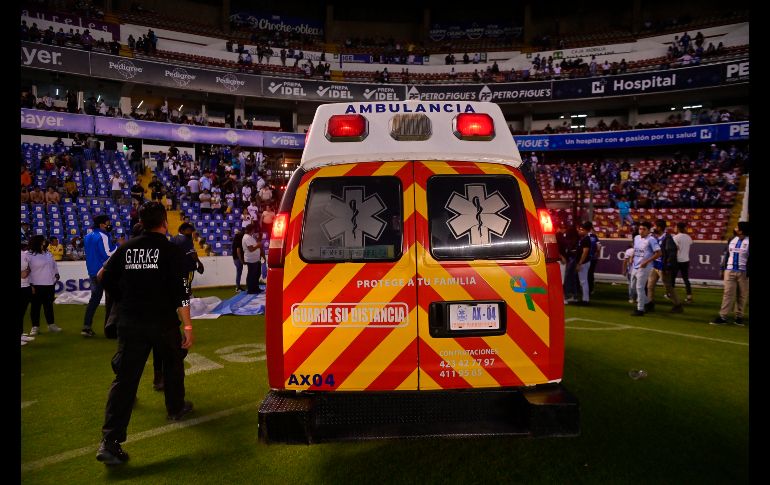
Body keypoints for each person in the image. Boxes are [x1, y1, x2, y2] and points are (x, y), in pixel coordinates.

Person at [96, 202, 194, 466]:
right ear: (164, 222)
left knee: (125, 381)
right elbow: (182, 292)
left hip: (130, 322)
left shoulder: (126, 248)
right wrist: (187, 326)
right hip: (162, 323)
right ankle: (175, 408)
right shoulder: (173, 251)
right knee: (173, 364)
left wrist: (122, 298)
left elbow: (102, 275)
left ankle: (109, 442)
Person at [82, 215, 116, 337]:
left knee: (94, 300)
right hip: (103, 272)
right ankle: (112, 328)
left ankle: (86, 326)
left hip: (92, 271)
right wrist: (119, 245)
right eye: (108, 223)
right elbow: (108, 253)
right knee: (113, 300)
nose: (109, 225)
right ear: (102, 224)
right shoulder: (103, 235)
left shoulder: (87, 236)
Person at [711, 222, 749, 326]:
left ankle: (739, 317)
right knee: (728, 293)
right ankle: (723, 316)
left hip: (744, 272)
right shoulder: (732, 239)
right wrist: (722, 268)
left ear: (741, 230)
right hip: (730, 270)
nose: (735, 228)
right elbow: (727, 255)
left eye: (737, 227)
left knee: (742, 295)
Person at [27, 235, 62, 336]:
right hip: (36, 284)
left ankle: (51, 324)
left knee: (48, 305)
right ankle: (35, 327)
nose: (45, 242)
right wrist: (30, 284)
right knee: (35, 307)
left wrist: (56, 273)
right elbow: (27, 269)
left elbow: (54, 264)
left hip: (49, 284)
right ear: (37, 242)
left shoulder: (48, 253)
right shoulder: (29, 255)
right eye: (43, 240)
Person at [630, 222, 661, 316]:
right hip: (635, 265)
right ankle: (649, 303)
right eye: (640, 229)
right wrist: (632, 256)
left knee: (640, 287)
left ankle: (640, 309)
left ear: (648, 230)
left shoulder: (651, 239)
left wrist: (646, 262)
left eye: (644, 229)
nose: (641, 231)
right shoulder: (636, 238)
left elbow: (659, 253)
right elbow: (635, 249)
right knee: (633, 287)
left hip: (645, 266)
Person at [654, 219, 683, 313]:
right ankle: (648, 304)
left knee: (668, 287)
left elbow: (671, 253)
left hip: (663, 266)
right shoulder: (656, 237)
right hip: (655, 265)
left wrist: (668, 265)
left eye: (655, 226)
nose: (653, 228)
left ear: (659, 227)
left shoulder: (667, 238)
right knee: (650, 285)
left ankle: (678, 305)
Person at [171, 222, 204, 292]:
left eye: (191, 231)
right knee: (187, 284)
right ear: (182, 230)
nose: (191, 232)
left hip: (178, 267)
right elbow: (192, 254)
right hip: (188, 266)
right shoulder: (185, 239)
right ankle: (187, 299)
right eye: (189, 230)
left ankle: (184, 298)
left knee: (182, 284)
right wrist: (200, 263)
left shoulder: (173, 239)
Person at [672, 221, 694, 303]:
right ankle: (689, 296)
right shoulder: (688, 237)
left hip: (677, 260)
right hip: (686, 260)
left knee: (672, 278)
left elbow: (676, 249)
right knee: (686, 279)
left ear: (678, 228)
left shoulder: (675, 238)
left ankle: (670, 294)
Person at [573, 222, 592, 305]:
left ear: (586, 231)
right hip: (583, 262)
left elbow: (585, 252)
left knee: (584, 281)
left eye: (582, 230)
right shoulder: (584, 238)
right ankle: (584, 299)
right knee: (583, 281)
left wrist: (580, 263)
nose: (580, 231)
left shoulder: (586, 239)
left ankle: (585, 300)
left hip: (583, 262)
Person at [21, 242, 36, 346]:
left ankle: (21, 334)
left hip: (25, 286)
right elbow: (23, 274)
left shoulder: (24, 255)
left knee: (22, 312)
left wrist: (27, 271)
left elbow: (27, 271)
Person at [242, 223, 261, 294]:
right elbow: (251, 249)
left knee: (256, 274)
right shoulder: (247, 237)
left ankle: (255, 288)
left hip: (255, 259)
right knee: (251, 274)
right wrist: (258, 245)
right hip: (251, 259)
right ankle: (250, 289)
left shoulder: (250, 237)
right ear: (252, 230)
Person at [232, 227, 245, 292]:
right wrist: (241, 260)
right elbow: (238, 251)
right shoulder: (239, 240)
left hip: (235, 258)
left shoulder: (235, 240)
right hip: (237, 258)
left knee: (239, 272)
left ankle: (238, 286)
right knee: (239, 272)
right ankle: (237, 287)